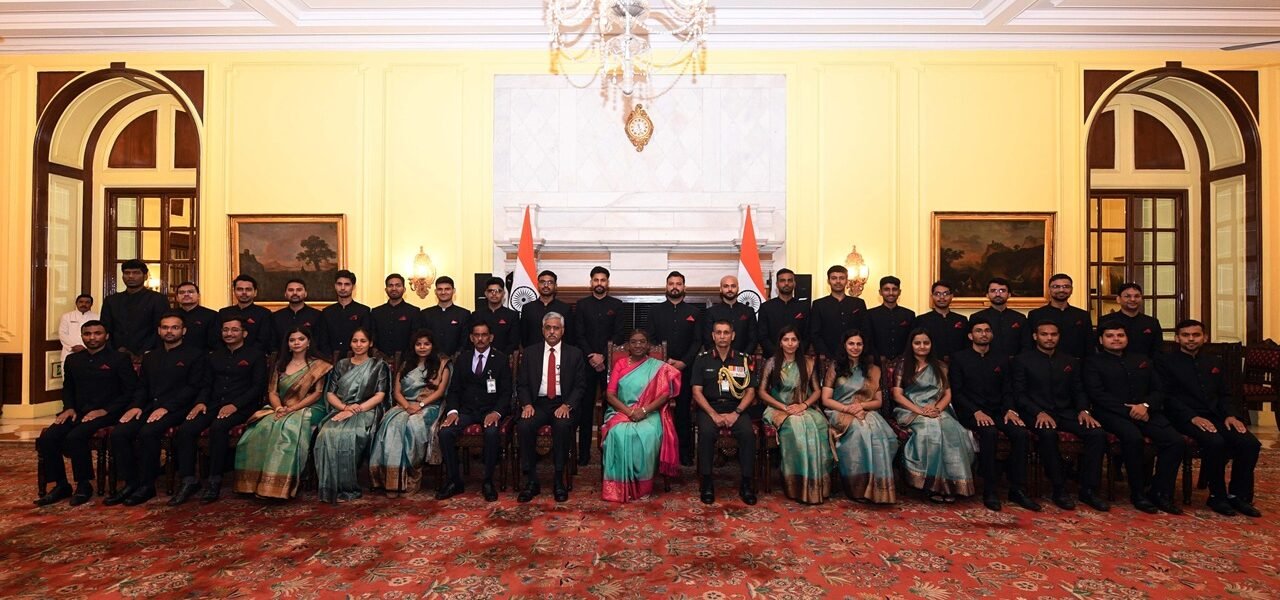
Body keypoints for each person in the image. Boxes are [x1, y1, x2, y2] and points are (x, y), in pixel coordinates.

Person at [1157, 319, 1262, 517]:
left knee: (1249, 443)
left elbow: (1225, 394)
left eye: (1195, 335)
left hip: (1218, 416)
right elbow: (1167, 397)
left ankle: (1239, 496)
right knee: (1215, 443)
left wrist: (1232, 415)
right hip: (1184, 417)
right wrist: (1192, 417)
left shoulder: (1214, 362)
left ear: (1204, 337)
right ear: (1177, 338)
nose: (1191, 339)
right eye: (1186, 335)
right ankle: (1217, 496)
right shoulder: (1166, 362)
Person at [105, 313, 210, 506]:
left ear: (183, 331)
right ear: (159, 331)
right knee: (120, 432)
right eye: (165, 328)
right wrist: (135, 407)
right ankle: (130, 482)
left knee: (148, 432)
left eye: (174, 327)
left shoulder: (195, 355)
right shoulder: (151, 357)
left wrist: (166, 408)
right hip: (149, 407)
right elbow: (142, 387)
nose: (169, 331)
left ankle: (147, 485)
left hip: (180, 409)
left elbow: (194, 387)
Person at [1084, 321, 1184, 514]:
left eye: (1120, 335)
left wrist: (1145, 405)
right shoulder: (1093, 362)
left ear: (1127, 339)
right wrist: (1129, 410)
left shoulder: (1143, 360)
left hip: (1146, 412)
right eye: (1110, 336)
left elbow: (1158, 389)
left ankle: (1160, 491)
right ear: (1101, 340)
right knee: (1133, 438)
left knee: (1175, 441)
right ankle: (1138, 493)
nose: (1116, 339)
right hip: (1112, 414)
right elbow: (1097, 394)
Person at [34, 320, 135, 507]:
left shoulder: (119, 359)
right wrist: (69, 407)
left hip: (109, 412)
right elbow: (68, 388)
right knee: (49, 437)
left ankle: (83, 485)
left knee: (76, 436)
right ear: (82, 336)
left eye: (97, 333)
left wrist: (104, 410)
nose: (92, 337)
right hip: (77, 411)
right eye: (87, 334)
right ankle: (61, 484)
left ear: (106, 336)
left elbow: (130, 391)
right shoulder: (73, 360)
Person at [169, 314, 268, 505]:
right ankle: (189, 480)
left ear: (244, 333)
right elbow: (206, 384)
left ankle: (215, 479)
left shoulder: (255, 355)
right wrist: (200, 402)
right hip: (212, 404)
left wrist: (235, 405)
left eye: (234, 330)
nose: (229, 333)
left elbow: (257, 387)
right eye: (226, 330)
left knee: (219, 428)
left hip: (242, 407)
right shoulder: (214, 356)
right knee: (186, 429)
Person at [1012, 321, 1109, 511]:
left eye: (1053, 334)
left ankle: (1088, 489)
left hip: (1067, 412)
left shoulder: (1070, 361)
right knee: (1048, 435)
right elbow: (1019, 394)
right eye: (1044, 334)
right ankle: (1059, 489)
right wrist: (1038, 412)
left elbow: (1079, 390)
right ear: (1035, 337)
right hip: (1035, 413)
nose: (1049, 338)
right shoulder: (1022, 360)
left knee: (1096, 433)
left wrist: (1084, 410)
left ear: (1059, 336)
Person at [950, 318, 1040, 512]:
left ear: (991, 334)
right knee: (989, 433)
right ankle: (990, 491)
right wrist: (976, 411)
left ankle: (1018, 489)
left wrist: (1010, 410)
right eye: (979, 330)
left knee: (1021, 433)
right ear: (970, 335)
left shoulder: (1002, 359)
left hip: (1000, 411)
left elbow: (1009, 389)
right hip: (971, 412)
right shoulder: (959, 358)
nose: (983, 334)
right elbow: (957, 393)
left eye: (987, 330)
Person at [233, 327, 333, 500]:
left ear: (308, 342)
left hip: (310, 408)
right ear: (287, 344)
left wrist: (293, 409)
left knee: (286, 427)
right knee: (260, 427)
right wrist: (279, 408)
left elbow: (317, 394)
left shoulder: (319, 366)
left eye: (301, 339)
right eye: (292, 340)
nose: (296, 343)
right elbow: (272, 392)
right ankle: (252, 483)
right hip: (281, 407)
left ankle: (278, 486)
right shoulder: (280, 365)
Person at [892, 329, 975, 503]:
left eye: (926, 343)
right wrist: (920, 410)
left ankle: (952, 484)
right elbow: (897, 395)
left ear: (931, 345)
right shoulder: (903, 364)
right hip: (911, 410)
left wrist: (936, 409)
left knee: (955, 431)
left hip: (937, 410)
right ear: (911, 345)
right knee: (930, 432)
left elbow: (947, 394)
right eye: (917, 343)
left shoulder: (941, 366)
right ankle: (931, 484)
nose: (922, 346)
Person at [601, 329, 682, 503]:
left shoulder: (657, 366)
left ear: (648, 345)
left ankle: (642, 486)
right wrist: (629, 411)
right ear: (628, 345)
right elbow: (610, 395)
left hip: (650, 412)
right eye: (634, 342)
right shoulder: (620, 364)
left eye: (642, 341)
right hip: (622, 410)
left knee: (648, 434)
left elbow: (665, 394)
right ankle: (621, 485)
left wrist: (644, 411)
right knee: (619, 433)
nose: (638, 345)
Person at [369, 329, 450, 498]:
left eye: (426, 344)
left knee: (413, 425)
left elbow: (440, 392)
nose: (422, 347)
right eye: (418, 344)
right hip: (404, 405)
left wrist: (420, 404)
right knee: (390, 425)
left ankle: (412, 477)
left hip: (430, 406)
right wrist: (407, 406)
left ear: (432, 346)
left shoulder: (442, 364)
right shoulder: (406, 365)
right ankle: (391, 481)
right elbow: (397, 392)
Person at [438, 321, 512, 502]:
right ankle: (454, 480)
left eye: (484, 335)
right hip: (466, 411)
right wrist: (453, 412)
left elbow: (506, 392)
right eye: (476, 335)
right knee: (445, 433)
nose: (480, 338)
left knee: (493, 432)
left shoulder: (501, 359)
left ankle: (488, 481)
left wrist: (497, 413)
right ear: (471, 338)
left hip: (490, 410)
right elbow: (454, 390)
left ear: (491, 337)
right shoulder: (463, 358)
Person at [314, 327, 390, 503]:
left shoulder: (378, 365)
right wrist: (345, 408)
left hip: (367, 410)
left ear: (370, 343)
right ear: (350, 343)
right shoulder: (341, 364)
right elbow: (330, 393)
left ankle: (348, 486)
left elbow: (380, 395)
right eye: (355, 341)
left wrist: (356, 409)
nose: (358, 345)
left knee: (350, 434)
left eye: (363, 341)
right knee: (326, 434)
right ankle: (330, 487)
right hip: (341, 410)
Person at [821, 330, 898, 504]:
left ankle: (879, 487)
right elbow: (826, 399)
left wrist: (860, 406)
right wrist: (848, 409)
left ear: (864, 346)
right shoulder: (835, 367)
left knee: (878, 432)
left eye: (859, 344)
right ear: (844, 345)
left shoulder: (873, 369)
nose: (855, 348)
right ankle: (858, 486)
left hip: (866, 410)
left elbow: (878, 401)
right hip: (839, 411)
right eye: (851, 344)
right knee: (859, 430)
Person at [516, 312, 586, 503]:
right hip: (537, 403)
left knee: (562, 426)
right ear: (542, 330)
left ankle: (558, 479)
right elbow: (521, 384)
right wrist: (527, 404)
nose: (552, 332)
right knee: (524, 425)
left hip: (563, 403)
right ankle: (531, 480)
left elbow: (580, 386)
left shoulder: (575, 353)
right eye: (548, 328)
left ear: (563, 331)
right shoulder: (530, 353)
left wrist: (568, 405)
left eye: (556, 328)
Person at [757, 326, 832, 504]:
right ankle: (796, 483)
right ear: (780, 343)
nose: (790, 343)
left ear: (799, 343)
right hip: (777, 408)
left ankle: (817, 484)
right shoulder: (772, 362)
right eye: (786, 340)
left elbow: (816, 391)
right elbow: (762, 392)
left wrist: (804, 405)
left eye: (794, 340)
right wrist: (784, 406)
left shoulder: (808, 362)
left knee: (818, 425)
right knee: (798, 427)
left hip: (804, 407)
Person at [691, 320, 757, 505]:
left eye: (726, 332)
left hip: (736, 407)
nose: (722, 336)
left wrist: (736, 413)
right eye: (718, 333)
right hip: (709, 408)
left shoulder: (744, 359)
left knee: (747, 434)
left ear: (733, 335)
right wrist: (713, 414)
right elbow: (696, 391)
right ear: (713, 336)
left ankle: (746, 483)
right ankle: (707, 482)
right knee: (705, 433)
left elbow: (751, 391)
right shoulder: (702, 359)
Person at [647, 270, 702, 466]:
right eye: (671, 283)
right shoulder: (655, 311)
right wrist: (664, 360)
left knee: (683, 412)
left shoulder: (695, 313)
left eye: (678, 283)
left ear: (684, 287)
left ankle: (684, 453)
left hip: (686, 370)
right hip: (660, 369)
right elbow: (650, 340)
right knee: (658, 411)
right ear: (666, 287)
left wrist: (683, 362)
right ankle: (657, 453)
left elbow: (697, 341)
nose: (675, 287)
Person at [573, 266, 625, 466]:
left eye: (603, 280)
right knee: (585, 409)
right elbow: (579, 334)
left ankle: (609, 452)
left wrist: (603, 356)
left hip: (610, 365)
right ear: (591, 283)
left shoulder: (617, 305)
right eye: (596, 280)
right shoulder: (582, 305)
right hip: (586, 365)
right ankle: (584, 454)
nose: (599, 283)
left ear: (608, 283)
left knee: (610, 409)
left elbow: (620, 334)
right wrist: (592, 356)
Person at [100, 259, 170, 359]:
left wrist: (143, 353)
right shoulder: (112, 300)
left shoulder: (158, 299)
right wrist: (116, 350)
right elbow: (105, 328)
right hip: (116, 355)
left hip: (149, 355)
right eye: (127, 273)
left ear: (145, 276)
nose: (131, 276)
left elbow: (160, 329)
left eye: (136, 273)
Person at [810, 266, 868, 366]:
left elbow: (865, 330)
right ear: (828, 281)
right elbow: (814, 333)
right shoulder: (819, 304)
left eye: (841, 278)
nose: (838, 281)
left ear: (846, 280)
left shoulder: (858, 303)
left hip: (855, 357)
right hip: (828, 357)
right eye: (834, 278)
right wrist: (825, 354)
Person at [1027, 274, 1093, 359]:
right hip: (1043, 364)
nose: (1061, 290)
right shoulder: (1036, 314)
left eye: (1066, 286)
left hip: (1077, 364)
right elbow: (1029, 344)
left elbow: (1089, 345)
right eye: (1056, 286)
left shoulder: (1082, 315)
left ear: (1071, 290)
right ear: (1049, 290)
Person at [756, 268, 810, 359]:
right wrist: (777, 355)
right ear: (777, 284)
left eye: (789, 280)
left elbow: (808, 335)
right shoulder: (766, 307)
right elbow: (762, 336)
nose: (786, 283)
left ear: (794, 283)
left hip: (798, 358)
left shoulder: (804, 307)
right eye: (782, 281)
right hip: (772, 358)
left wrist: (795, 354)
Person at [318, 270, 372, 359]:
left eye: (347, 284)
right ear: (335, 286)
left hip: (356, 360)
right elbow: (323, 340)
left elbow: (365, 338)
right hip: (330, 361)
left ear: (353, 287)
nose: (342, 288)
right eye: (339, 284)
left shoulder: (363, 311)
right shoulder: (326, 312)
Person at [971, 277, 1027, 359]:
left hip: (1015, 364)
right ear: (987, 295)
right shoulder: (977, 317)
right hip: (986, 363)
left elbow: (1026, 345)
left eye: (1002, 291)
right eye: (993, 291)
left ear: (1009, 294)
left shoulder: (1020, 318)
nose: (998, 294)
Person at [1104, 282, 1164, 357]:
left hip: (1145, 366)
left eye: (1137, 296)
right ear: (1118, 299)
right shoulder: (1106, 320)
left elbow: (1158, 350)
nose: (1132, 299)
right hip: (1112, 365)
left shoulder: (1152, 322)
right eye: (1127, 296)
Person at [417, 276, 471, 358]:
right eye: (440, 289)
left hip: (457, 361)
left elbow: (465, 340)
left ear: (453, 291)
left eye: (447, 289)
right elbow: (422, 339)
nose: (443, 292)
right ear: (435, 291)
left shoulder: (464, 314)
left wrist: (457, 355)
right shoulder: (425, 314)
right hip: (431, 360)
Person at [518, 270, 573, 349]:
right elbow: (523, 335)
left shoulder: (565, 308)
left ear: (555, 286)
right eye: (542, 282)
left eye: (550, 282)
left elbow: (569, 337)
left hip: (558, 354)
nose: (546, 285)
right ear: (538, 285)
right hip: (533, 354)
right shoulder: (528, 308)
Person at [218, 274, 273, 355]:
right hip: (227, 357)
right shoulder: (224, 313)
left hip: (255, 358)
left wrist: (247, 355)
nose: (244, 292)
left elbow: (263, 340)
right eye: (240, 289)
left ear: (255, 292)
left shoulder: (264, 313)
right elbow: (217, 338)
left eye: (248, 289)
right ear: (234, 291)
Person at [913, 280, 968, 361]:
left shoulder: (962, 320)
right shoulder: (922, 320)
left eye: (946, 294)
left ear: (952, 296)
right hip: (931, 364)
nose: (942, 297)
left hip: (958, 365)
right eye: (937, 294)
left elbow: (967, 345)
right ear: (932, 297)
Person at [865, 276, 914, 362]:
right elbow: (868, 340)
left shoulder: (909, 315)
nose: (891, 293)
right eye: (886, 289)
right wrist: (877, 358)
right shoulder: (870, 315)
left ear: (899, 292)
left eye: (894, 289)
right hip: (877, 363)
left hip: (904, 363)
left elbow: (911, 341)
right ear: (880, 292)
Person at [704, 275, 757, 355]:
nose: (730, 289)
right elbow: (708, 340)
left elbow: (753, 339)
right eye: (726, 286)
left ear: (738, 289)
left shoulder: (748, 311)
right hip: (717, 360)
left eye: (733, 286)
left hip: (743, 359)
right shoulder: (711, 312)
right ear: (721, 289)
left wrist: (744, 357)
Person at [370, 273, 419, 358]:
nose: (394, 288)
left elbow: (415, 338)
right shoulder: (376, 312)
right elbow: (372, 337)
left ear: (404, 289)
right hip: (379, 361)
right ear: (386, 289)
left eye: (398, 285)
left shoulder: (414, 312)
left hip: (407, 361)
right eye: (390, 285)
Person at [269, 278, 323, 351]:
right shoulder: (276, 317)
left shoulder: (317, 315)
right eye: (291, 290)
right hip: (282, 359)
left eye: (299, 290)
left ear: (305, 293)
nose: (295, 293)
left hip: (310, 359)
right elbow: (272, 343)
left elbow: (320, 342)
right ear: (285, 294)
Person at [471, 276, 520, 355]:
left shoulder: (512, 315)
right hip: (480, 357)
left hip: (503, 358)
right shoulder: (476, 315)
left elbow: (513, 342)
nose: (494, 294)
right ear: (486, 293)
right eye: (490, 291)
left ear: (503, 293)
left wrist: (499, 357)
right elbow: (472, 340)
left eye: (498, 291)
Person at [174, 282, 219, 352]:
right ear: (177, 298)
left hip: (202, 358)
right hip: (174, 356)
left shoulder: (211, 315)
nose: (186, 294)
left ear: (198, 296)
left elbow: (215, 343)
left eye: (190, 292)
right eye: (182, 292)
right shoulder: (170, 315)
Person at [58, 293, 100, 365]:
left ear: (91, 304)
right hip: (69, 352)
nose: (84, 304)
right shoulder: (67, 316)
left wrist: (85, 348)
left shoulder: (97, 317)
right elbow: (62, 334)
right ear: (76, 303)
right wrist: (74, 346)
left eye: (87, 302)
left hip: (90, 353)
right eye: (81, 302)